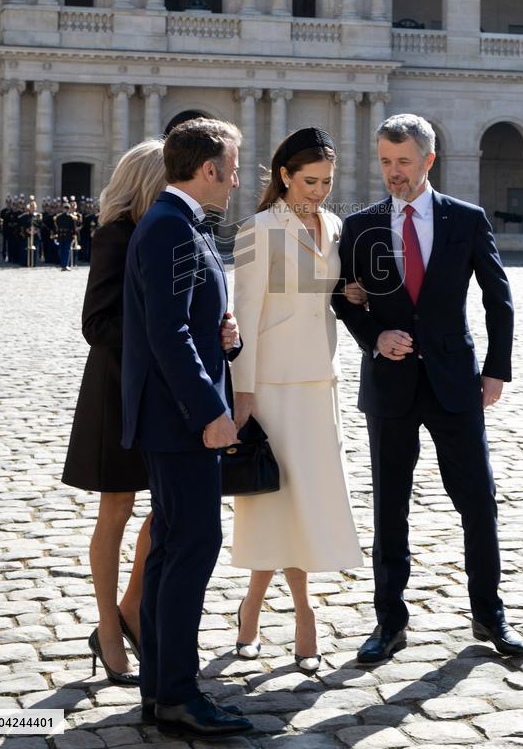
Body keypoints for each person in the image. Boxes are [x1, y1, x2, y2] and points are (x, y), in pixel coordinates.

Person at [333, 113, 523, 662]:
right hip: (389, 385)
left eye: (403, 161)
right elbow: (341, 297)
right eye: (385, 162)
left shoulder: (466, 219)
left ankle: (490, 614)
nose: (393, 172)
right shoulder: (361, 226)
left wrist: (495, 371)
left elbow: (498, 298)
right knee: (389, 507)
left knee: (478, 502)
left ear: (428, 160)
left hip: (455, 383)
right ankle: (389, 622)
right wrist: (374, 337)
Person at [122, 118, 253, 741]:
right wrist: (210, 411)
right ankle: (177, 693)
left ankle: (159, 689)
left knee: (172, 549)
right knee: (192, 548)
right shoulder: (172, 227)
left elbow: (185, 322)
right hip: (180, 422)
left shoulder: (179, 223)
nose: (237, 180)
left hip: (172, 416)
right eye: (233, 168)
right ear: (207, 169)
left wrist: (224, 337)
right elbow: (167, 332)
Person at [230, 127, 363, 673]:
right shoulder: (256, 230)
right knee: (274, 502)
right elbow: (244, 315)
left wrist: (347, 292)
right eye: (310, 181)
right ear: (284, 176)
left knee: (304, 502)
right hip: (271, 388)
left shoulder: (335, 226)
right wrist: (242, 394)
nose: (319, 192)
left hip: (319, 383)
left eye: (327, 182)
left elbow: (323, 294)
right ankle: (303, 614)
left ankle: (252, 609)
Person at [62, 140, 167, 685]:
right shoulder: (115, 236)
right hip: (117, 390)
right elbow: (96, 323)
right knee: (117, 508)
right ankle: (108, 626)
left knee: (168, 507)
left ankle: (131, 605)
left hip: (164, 394)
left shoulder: (170, 230)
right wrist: (162, 336)